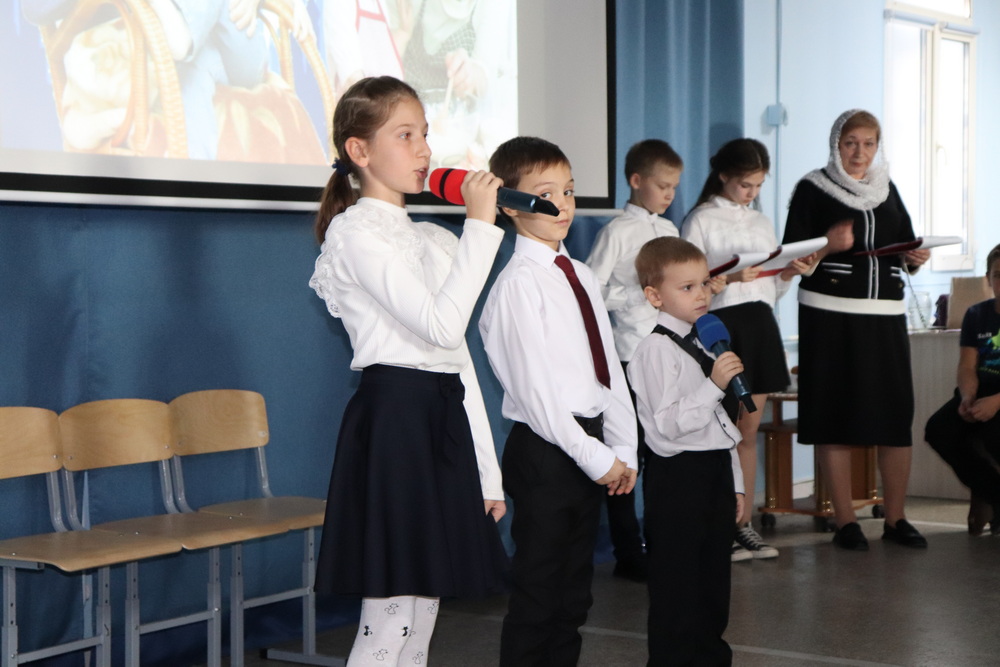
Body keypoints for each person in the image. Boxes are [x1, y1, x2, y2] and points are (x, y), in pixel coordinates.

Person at [308, 76, 508, 667]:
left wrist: (486, 472)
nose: (424, 150)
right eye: (405, 135)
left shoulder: (430, 237)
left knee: (422, 616)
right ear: (359, 151)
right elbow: (439, 326)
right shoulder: (355, 233)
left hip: (439, 418)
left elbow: (457, 359)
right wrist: (481, 225)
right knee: (390, 618)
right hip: (395, 420)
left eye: (425, 134)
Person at [478, 136, 639, 666]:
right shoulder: (518, 286)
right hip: (547, 450)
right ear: (510, 205)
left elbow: (608, 369)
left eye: (568, 191)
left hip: (589, 445)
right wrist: (596, 457)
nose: (563, 205)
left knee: (574, 595)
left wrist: (623, 448)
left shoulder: (581, 274)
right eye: (545, 194)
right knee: (539, 594)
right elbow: (538, 396)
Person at [782, 109, 930, 551]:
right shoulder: (813, 188)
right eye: (851, 143)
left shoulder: (887, 188)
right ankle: (845, 521)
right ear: (836, 145)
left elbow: (904, 243)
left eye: (868, 143)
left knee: (894, 416)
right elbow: (791, 258)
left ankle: (896, 518)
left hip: (885, 315)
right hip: (830, 316)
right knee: (835, 414)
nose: (859, 152)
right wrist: (828, 244)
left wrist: (915, 258)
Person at [683, 138, 814, 561]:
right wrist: (726, 280)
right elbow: (687, 285)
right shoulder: (701, 219)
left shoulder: (761, 221)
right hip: (721, 326)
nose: (752, 193)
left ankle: (743, 524)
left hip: (759, 324)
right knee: (718, 430)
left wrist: (788, 273)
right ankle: (716, 525)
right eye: (745, 185)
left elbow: (770, 289)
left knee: (747, 431)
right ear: (724, 176)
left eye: (758, 185)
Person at [627, 236, 745, 665]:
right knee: (677, 588)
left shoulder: (706, 341)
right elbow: (667, 426)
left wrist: (735, 482)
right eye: (687, 287)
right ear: (654, 296)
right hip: (678, 478)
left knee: (713, 585)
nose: (701, 295)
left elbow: (722, 428)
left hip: (714, 471)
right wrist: (713, 385)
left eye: (705, 284)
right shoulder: (655, 350)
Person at [585, 138, 684, 581]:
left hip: (672, 357)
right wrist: (635, 297)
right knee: (630, 454)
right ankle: (628, 552)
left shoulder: (671, 230)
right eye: (662, 186)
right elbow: (590, 292)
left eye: (674, 187)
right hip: (630, 356)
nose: (669, 195)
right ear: (636, 180)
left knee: (668, 455)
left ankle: (664, 542)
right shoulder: (617, 232)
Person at [925, 243, 1000, 536]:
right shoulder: (977, 314)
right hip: (980, 391)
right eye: (998, 275)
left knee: (994, 435)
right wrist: (968, 397)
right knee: (939, 430)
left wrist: (996, 402)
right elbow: (967, 366)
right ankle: (995, 495)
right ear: (988, 279)